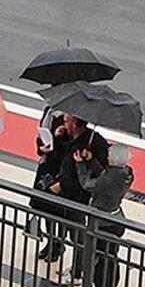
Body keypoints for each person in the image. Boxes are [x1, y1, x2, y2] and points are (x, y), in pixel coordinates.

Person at [31, 114, 97, 278]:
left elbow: (81, 174)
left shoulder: (87, 142)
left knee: (77, 234)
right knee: (47, 210)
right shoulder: (51, 113)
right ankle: (53, 243)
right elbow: (42, 137)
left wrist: (61, 185)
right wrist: (50, 141)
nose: (64, 123)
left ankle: (76, 269)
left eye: (67, 121)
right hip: (52, 173)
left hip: (70, 192)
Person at [77, 137, 137, 287]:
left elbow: (89, 185)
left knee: (101, 264)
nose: (107, 157)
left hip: (104, 223)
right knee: (111, 260)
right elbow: (104, 177)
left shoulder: (110, 178)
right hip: (116, 219)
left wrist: (81, 165)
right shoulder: (125, 173)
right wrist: (91, 161)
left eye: (109, 155)